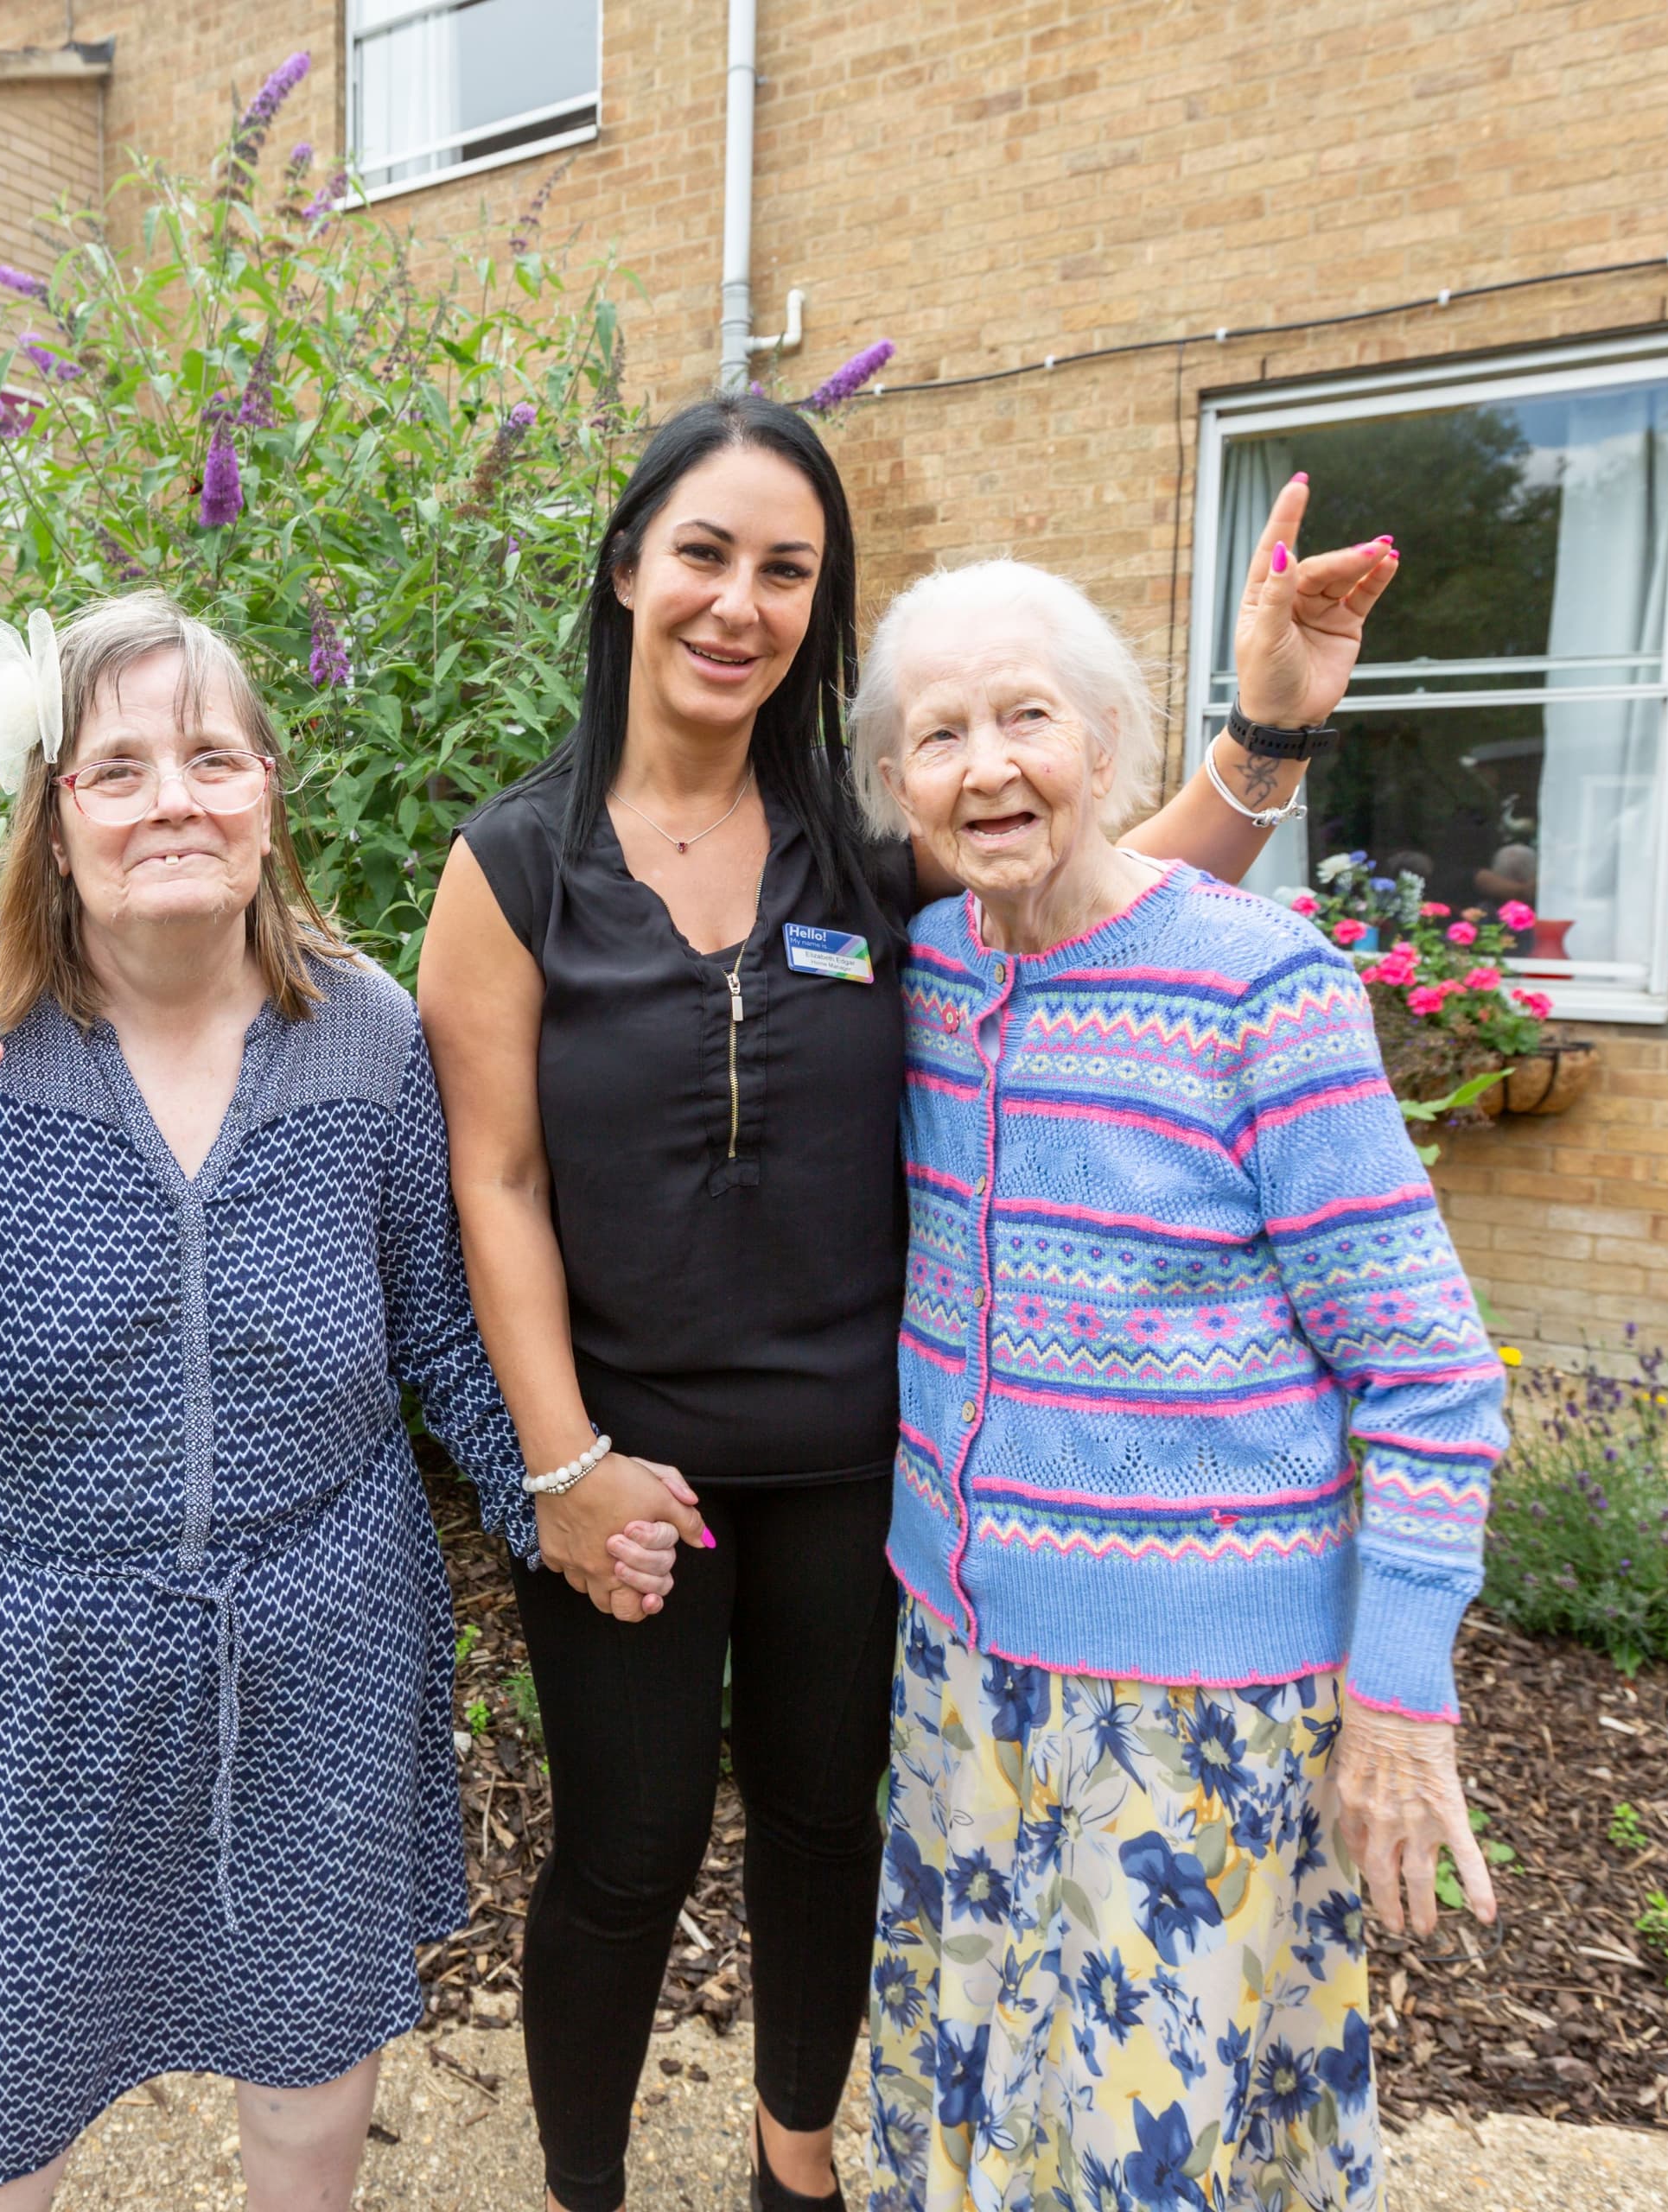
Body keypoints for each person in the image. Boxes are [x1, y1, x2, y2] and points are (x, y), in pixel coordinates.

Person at [414, 394, 1389, 2212]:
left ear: (819, 606)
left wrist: (1265, 729)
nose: (739, 600)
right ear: (629, 566)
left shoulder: (862, 844)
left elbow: (1111, 888)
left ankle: (798, 2160)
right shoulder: (515, 866)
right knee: (620, 1854)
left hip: (860, 1468)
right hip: (633, 1470)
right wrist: (561, 1468)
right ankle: (581, 2189)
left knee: (817, 1825)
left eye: (788, 568)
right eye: (704, 552)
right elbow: (500, 1179)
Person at [0, 591, 551, 2212]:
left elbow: (438, 1317)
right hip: (9, 1662)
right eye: (119, 765)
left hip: (319, 1645)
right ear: (52, 815)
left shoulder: (359, 1032)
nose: (174, 799)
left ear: (270, 796)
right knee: (2, 2103)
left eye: (215, 756)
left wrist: (554, 1500)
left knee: (313, 2054)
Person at [846, 557, 1510, 2211]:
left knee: (1151, 2145)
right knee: (969, 2102)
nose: (988, 765)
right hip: (964, 1683)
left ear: (1115, 748)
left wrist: (1403, 1699)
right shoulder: (923, 975)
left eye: (1029, 718)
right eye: (939, 735)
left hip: (1191, 1705)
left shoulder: (1260, 985)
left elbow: (1428, 1373)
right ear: (893, 788)